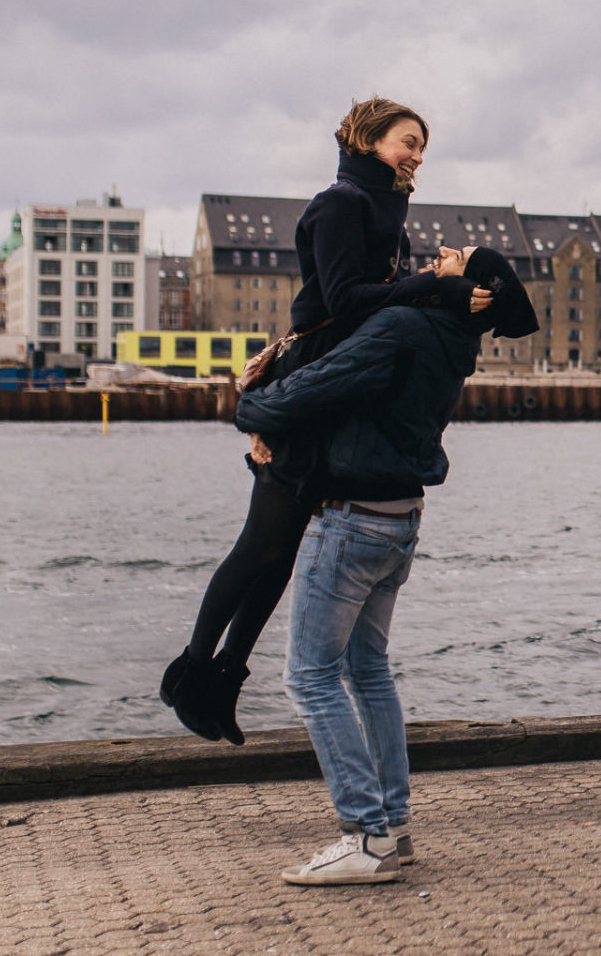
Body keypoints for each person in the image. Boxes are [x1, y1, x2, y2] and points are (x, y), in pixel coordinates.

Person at [160, 97, 489, 744]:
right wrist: (431, 286)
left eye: (423, 146)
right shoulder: (342, 202)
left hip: (336, 377)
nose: (417, 155)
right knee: (261, 543)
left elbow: (374, 306)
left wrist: (432, 289)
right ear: (369, 140)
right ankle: (192, 670)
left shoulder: (388, 212)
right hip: (312, 371)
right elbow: (343, 301)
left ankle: (226, 677)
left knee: (283, 554)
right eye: (407, 141)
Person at [232, 245, 539, 886]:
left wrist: (250, 406)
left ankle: (366, 837)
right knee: (367, 669)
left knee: (309, 677)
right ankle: (393, 826)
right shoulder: (454, 339)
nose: (441, 253)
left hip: (352, 521)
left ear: (474, 291)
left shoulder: (403, 327)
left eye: (456, 259)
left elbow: (313, 387)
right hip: (400, 520)